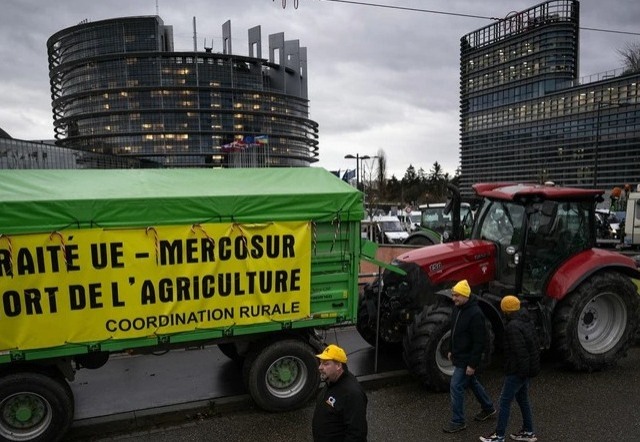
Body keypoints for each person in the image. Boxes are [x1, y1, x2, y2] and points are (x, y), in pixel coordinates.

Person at [480, 295, 540, 442]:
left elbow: (520, 353)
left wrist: (520, 374)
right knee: (523, 400)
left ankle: (499, 435)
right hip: (526, 370)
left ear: (506, 310)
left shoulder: (512, 327)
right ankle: (528, 431)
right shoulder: (527, 321)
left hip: (517, 371)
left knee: (505, 402)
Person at [443, 279, 496, 433]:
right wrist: (451, 349)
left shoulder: (476, 314)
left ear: (465, 295)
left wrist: (472, 364)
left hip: (466, 358)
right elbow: (454, 331)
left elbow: (479, 343)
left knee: (456, 385)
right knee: (472, 382)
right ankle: (488, 408)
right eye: (453, 295)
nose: (454, 299)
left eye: (457, 296)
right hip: (459, 355)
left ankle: (458, 421)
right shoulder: (458, 308)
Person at [312, 344, 368, 442]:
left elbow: (357, 433)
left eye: (326, 364)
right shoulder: (331, 380)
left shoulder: (352, 394)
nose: (320, 367)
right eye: (320, 363)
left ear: (338, 366)